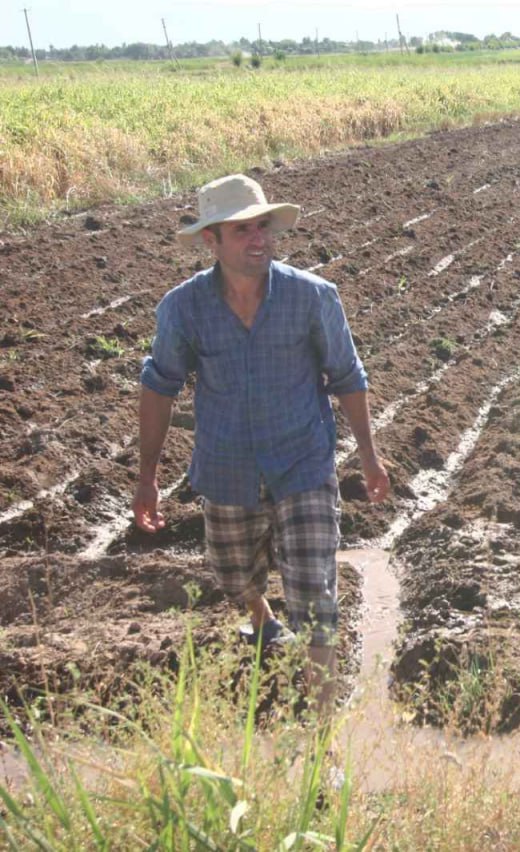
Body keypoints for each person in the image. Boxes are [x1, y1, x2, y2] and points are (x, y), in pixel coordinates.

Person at [132, 173, 390, 719]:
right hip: (227, 467)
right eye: (242, 230)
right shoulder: (184, 308)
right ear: (212, 241)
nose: (258, 240)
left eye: (262, 228)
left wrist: (368, 454)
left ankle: (318, 730)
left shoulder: (313, 297)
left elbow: (347, 375)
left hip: (303, 460)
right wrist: (147, 475)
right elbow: (160, 385)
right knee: (233, 574)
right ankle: (259, 611)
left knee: (315, 591)